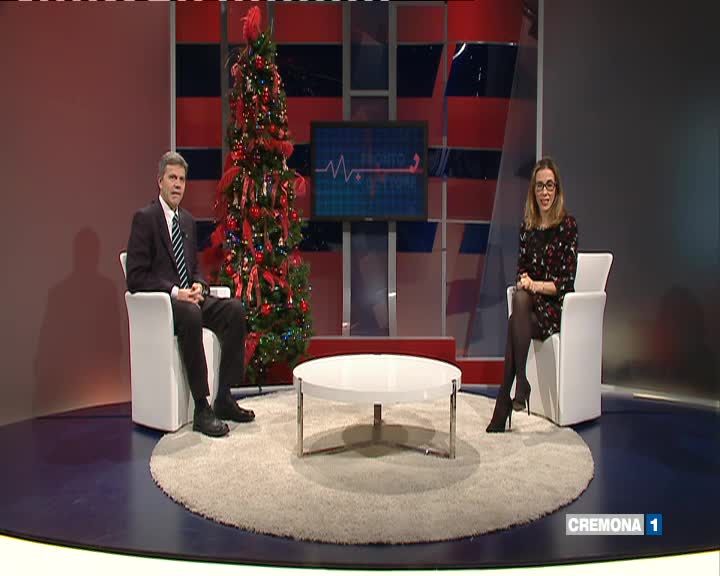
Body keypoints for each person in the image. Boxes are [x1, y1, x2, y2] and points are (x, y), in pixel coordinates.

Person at [126, 151, 255, 437]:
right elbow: (135, 277)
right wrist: (175, 292)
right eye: (172, 178)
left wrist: (198, 286)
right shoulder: (145, 219)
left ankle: (224, 396)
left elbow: (194, 267)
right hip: (167, 304)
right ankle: (202, 407)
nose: (177, 185)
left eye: (182, 180)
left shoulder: (186, 220)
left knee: (234, 309)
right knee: (191, 312)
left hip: (190, 299)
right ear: (159, 181)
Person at [486, 157, 578, 433]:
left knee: (516, 316)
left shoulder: (567, 226)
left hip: (556, 310)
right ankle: (518, 386)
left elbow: (565, 283)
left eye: (549, 185)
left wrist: (534, 285)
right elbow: (521, 272)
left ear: (557, 189)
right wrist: (526, 283)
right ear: (533, 191)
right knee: (520, 301)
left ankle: (507, 398)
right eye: (539, 186)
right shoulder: (527, 227)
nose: (544, 192)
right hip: (531, 308)